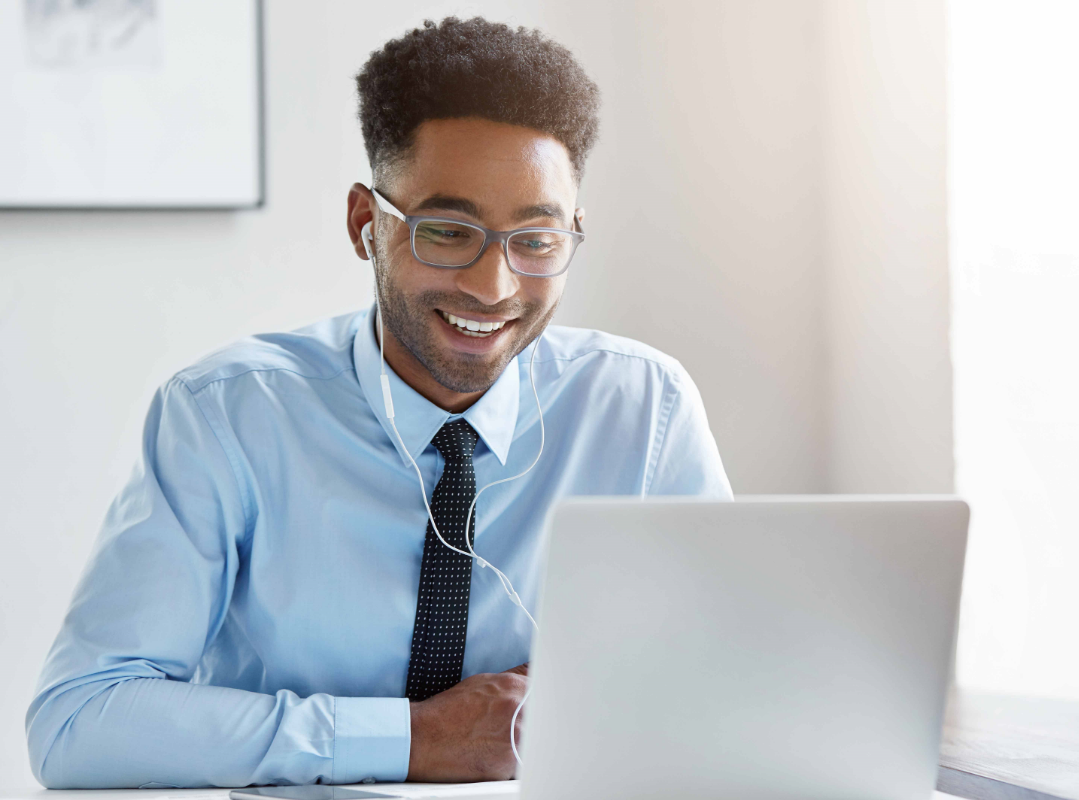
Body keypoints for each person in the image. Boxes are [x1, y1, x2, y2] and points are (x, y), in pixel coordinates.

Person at [26, 17, 730, 790]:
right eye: (449, 232)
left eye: (534, 239)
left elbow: (731, 680)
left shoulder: (644, 409)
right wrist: (411, 740)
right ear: (367, 224)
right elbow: (78, 723)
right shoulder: (228, 416)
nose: (492, 289)